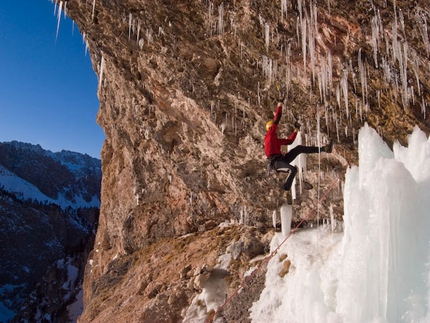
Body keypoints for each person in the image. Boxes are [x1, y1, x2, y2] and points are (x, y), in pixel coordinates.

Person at [265, 102, 333, 191]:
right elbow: (277, 119)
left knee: (299, 149)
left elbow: (289, 142)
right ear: (271, 127)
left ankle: (325, 149)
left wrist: (296, 130)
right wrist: (279, 105)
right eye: (276, 127)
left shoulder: (275, 139)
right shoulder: (270, 134)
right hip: (275, 163)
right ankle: (286, 188)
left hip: (281, 159)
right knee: (293, 170)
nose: (278, 128)